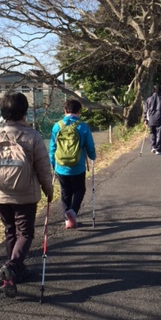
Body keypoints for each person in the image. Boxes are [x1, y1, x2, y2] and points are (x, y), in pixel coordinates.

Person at [0, 92, 54, 298]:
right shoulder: (32, 136)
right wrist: (49, 190)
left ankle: (13, 275)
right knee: (26, 233)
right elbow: (43, 169)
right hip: (25, 195)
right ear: (25, 112)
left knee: (10, 231)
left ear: (3, 112)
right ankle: (12, 266)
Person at [49, 98, 96, 229]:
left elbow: (53, 146)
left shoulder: (57, 126)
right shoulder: (82, 126)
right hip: (77, 166)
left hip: (61, 166)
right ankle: (73, 211)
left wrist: (52, 161)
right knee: (79, 190)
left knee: (65, 192)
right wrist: (92, 157)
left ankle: (66, 219)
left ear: (65, 111)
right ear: (79, 111)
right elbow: (90, 146)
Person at [143, 84, 161, 155]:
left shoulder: (149, 99)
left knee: (152, 133)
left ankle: (153, 147)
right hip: (160, 119)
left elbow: (145, 110)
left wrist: (145, 119)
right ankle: (158, 149)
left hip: (151, 119)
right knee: (160, 134)